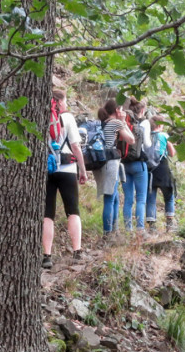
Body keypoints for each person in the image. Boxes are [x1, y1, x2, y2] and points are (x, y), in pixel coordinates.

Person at [43, 90, 87, 269]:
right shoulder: (68, 118)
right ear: (60, 101)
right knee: (73, 210)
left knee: (48, 214)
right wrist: (82, 170)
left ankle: (47, 255)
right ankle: (77, 251)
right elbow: (76, 146)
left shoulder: (40, 116)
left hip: (47, 169)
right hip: (68, 168)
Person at [93, 100, 133, 239]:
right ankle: (108, 234)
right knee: (110, 198)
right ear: (117, 110)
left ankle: (113, 230)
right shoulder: (115, 122)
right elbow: (131, 139)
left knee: (114, 197)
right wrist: (123, 122)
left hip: (100, 161)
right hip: (111, 162)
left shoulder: (101, 122)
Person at [121, 100, 152, 232]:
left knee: (128, 199)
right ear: (142, 110)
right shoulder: (144, 124)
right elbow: (148, 144)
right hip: (139, 164)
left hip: (124, 164)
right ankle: (140, 229)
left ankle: (128, 229)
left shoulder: (124, 123)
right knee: (140, 198)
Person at [146, 115, 177, 232]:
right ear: (160, 125)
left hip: (150, 170)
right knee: (168, 197)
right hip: (163, 168)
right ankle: (170, 225)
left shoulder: (147, 136)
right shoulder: (164, 136)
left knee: (151, 199)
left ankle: (152, 227)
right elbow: (172, 153)